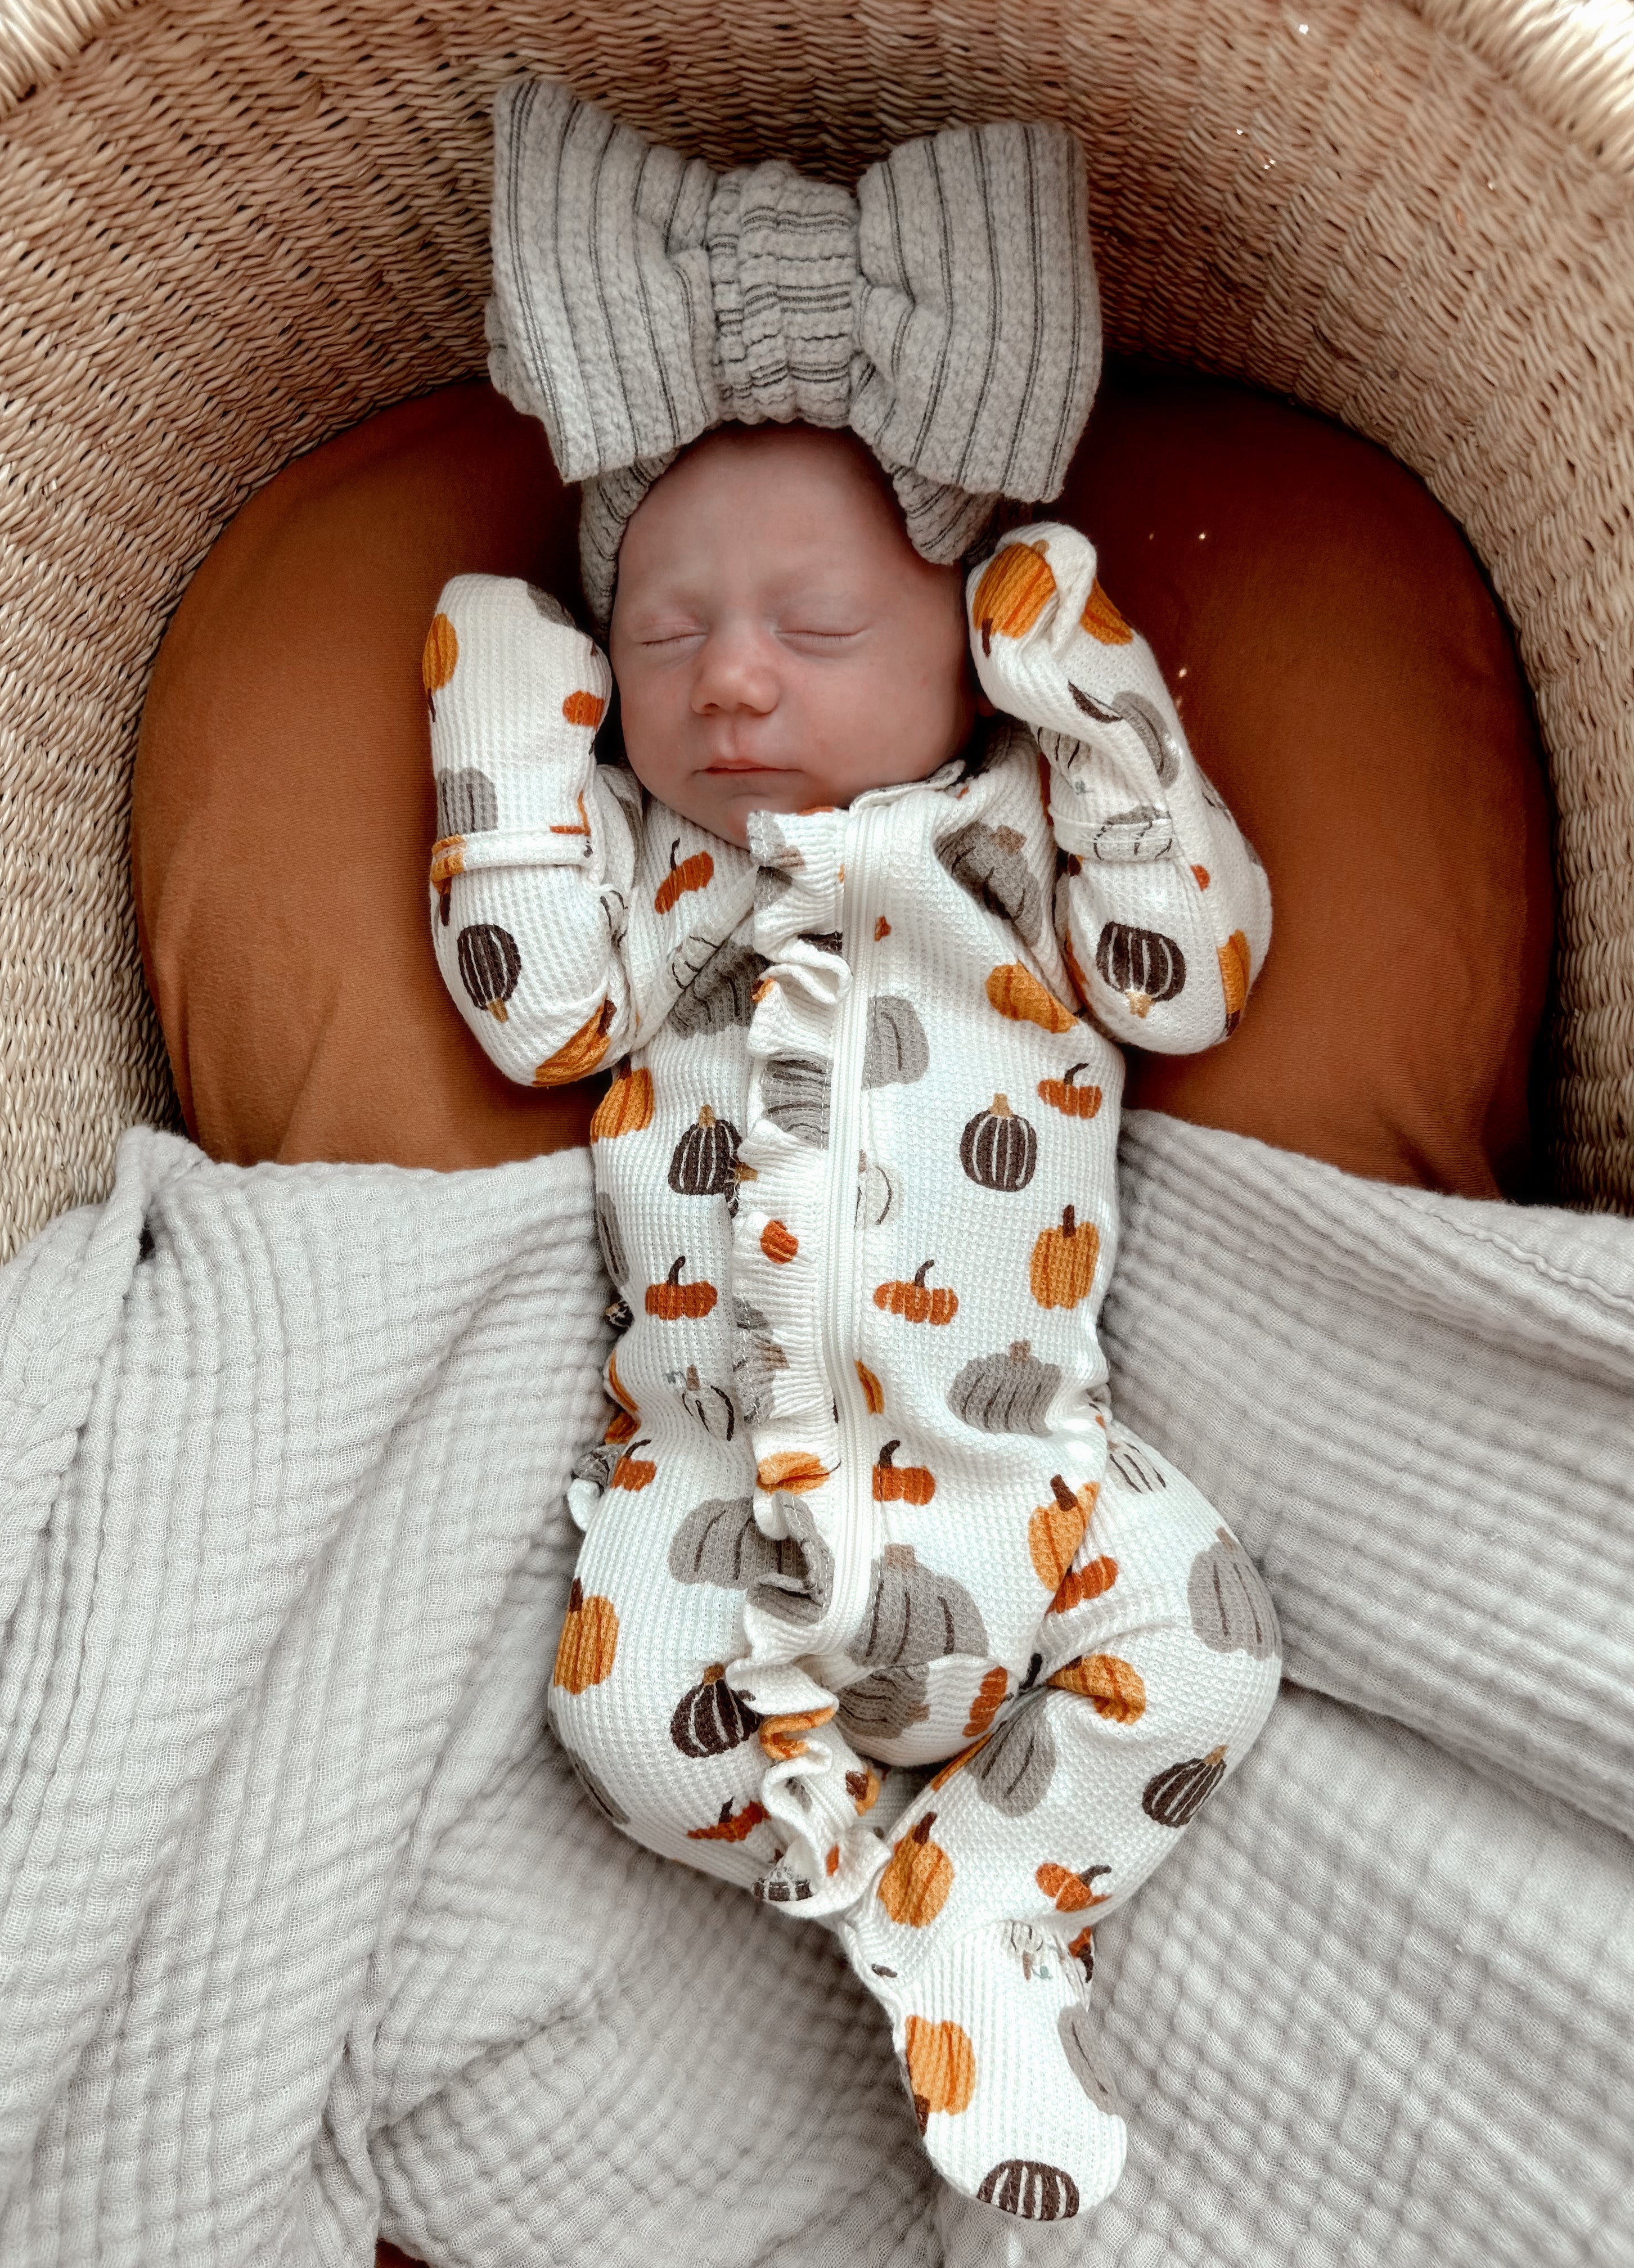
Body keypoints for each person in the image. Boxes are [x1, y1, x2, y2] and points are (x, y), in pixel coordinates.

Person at [421, 80, 1280, 2229]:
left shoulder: (1016, 837)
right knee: (618, 1729)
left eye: (816, 636)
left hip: (1036, 1479)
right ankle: (868, 1887)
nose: (727, 687)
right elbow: (531, 1013)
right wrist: (510, 719)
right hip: (709, 1506)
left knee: (1206, 1647)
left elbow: (1192, 981)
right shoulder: (655, 889)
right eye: (656, 637)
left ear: (961, 644)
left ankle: (987, 1902)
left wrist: (1092, 701)